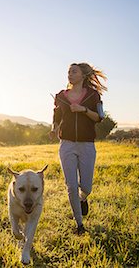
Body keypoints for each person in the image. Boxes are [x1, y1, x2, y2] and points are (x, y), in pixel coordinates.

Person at [49, 62, 107, 235]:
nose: (70, 74)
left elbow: (99, 117)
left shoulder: (93, 95)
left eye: (74, 71)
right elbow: (56, 116)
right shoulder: (61, 96)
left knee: (86, 187)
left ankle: (83, 199)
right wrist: (53, 128)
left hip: (87, 145)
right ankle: (79, 224)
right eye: (68, 72)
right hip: (66, 144)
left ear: (83, 75)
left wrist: (82, 110)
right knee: (71, 186)